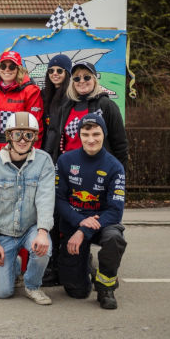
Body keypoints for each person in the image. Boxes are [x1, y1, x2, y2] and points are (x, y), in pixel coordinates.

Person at [0, 112, 54, 305]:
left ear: (34, 137)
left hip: (30, 228)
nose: (22, 140)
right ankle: (15, 264)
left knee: (44, 249)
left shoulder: (44, 161)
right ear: (9, 136)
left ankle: (32, 285)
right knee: (2, 292)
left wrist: (42, 232)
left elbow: (46, 198)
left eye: (28, 135)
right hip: (4, 233)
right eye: (17, 134)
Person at [55, 113, 127, 309]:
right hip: (74, 222)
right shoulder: (65, 161)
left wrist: (83, 230)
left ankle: (106, 287)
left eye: (96, 134)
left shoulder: (115, 167)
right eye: (85, 134)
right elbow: (59, 200)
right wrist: (79, 221)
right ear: (79, 135)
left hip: (102, 224)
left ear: (104, 134)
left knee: (114, 239)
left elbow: (115, 211)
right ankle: (85, 263)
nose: (91, 139)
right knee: (77, 292)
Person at [45, 61, 128, 167]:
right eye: (77, 78)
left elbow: (120, 145)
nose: (82, 81)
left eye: (86, 77)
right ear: (73, 82)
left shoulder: (107, 105)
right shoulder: (65, 107)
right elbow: (55, 141)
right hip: (69, 167)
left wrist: (119, 173)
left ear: (94, 79)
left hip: (98, 168)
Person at [38, 53, 72, 285]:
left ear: (67, 73)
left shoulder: (71, 97)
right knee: (49, 213)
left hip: (64, 161)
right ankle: (51, 264)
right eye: (51, 71)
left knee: (62, 215)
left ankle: (64, 264)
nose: (55, 74)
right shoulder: (45, 95)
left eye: (59, 71)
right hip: (47, 160)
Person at [0, 50, 43, 154]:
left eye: (12, 67)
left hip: (18, 149)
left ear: (19, 69)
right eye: (3, 66)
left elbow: (36, 127)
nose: (7, 70)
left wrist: (32, 153)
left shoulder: (30, 91)